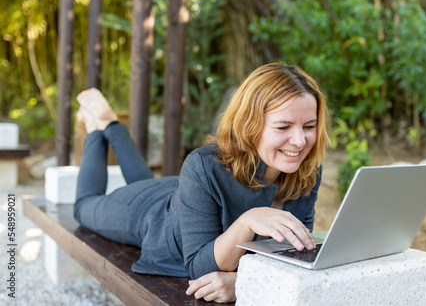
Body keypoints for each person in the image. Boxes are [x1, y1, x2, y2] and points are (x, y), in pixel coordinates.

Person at [74, 62, 331, 303]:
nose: (299, 141)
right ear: (250, 125)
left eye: (309, 126)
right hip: (153, 216)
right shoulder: (204, 164)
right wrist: (246, 221)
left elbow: (296, 256)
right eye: (283, 127)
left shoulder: (307, 170)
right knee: (84, 206)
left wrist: (240, 281)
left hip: (184, 192)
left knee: (144, 181)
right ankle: (99, 127)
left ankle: (110, 124)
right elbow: (199, 266)